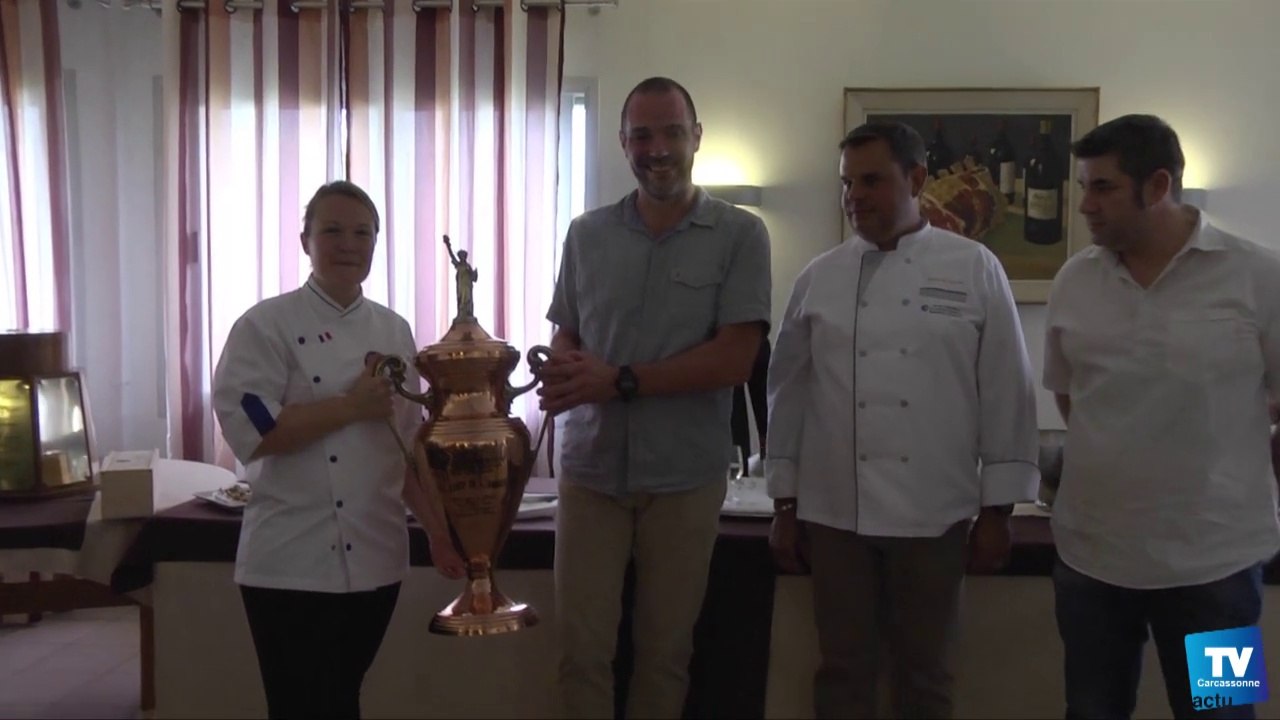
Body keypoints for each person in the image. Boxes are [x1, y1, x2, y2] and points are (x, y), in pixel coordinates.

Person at [766, 121, 1040, 719]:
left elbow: (1005, 391)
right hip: (836, 513)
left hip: (935, 512)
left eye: (871, 181)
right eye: (846, 183)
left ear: (916, 179)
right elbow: (787, 392)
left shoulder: (975, 267)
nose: (853, 196)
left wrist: (998, 512)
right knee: (842, 673)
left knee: (927, 676)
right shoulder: (820, 276)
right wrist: (785, 504)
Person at [537, 76, 772, 719]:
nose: (657, 148)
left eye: (671, 132)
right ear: (623, 143)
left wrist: (620, 380)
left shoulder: (741, 235)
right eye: (642, 134)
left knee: (664, 655)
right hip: (589, 472)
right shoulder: (585, 234)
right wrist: (561, 370)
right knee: (581, 655)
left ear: (697, 138)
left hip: (685, 478)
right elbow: (568, 332)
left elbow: (736, 357)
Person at [1043, 114, 1280, 720]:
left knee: (1224, 716)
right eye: (1083, 188)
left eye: (1102, 189)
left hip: (1218, 566)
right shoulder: (1075, 280)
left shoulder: (1258, 276)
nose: (1085, 207)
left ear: (1157, 186)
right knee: (1092, 711)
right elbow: (1071, 399)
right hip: (1093, 562)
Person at [212, 180, 465, 720]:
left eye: (362, 232)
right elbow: (256, 433)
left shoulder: (394, 331)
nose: (348, 243)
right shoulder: (265, 326)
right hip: (290, 559)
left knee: (342, 697)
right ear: (305, 240)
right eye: (332, 230)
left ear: (376, 244)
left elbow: (406, 451)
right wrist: (349, 407)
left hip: (376, 555)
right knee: (301, 705)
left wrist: (441, 536)